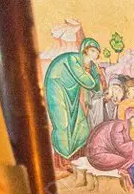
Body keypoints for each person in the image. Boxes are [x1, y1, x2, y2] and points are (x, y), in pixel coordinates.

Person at [44, 37, 103, 169]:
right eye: (93, 51)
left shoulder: (89, 66)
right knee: (63, 124)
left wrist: (95, 73)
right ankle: (61, 163)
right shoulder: (73, 59)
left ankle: (73, 159)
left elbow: (96, 88)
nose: (96, 54)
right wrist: (95, 75)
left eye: (97, 52)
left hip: (71, 93)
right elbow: (88, 82)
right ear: (85, 50)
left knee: (79, 125)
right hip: (57, 88)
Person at [83, 108, 134, 194]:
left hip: (109, 152)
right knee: (130, 160)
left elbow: (124, 147)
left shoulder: (126, 128)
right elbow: (119, 146)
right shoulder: (119, 126)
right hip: (98, 155)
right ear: (129, 118)